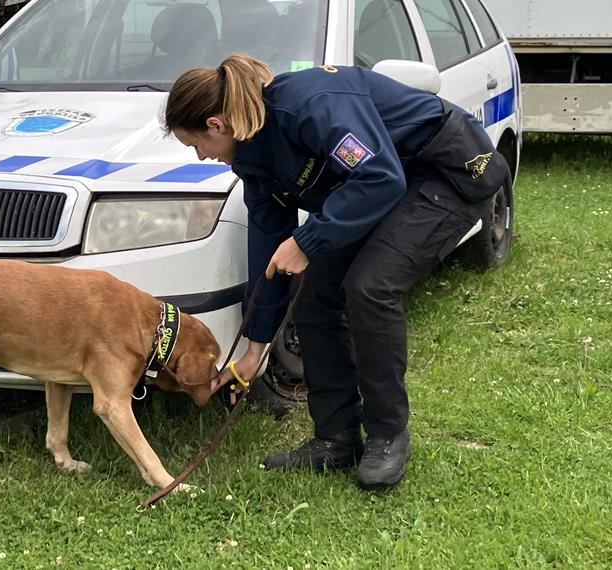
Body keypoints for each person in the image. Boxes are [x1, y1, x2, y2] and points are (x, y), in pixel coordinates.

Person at [163, 54, 511, 489]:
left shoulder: (310, 104)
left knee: (371, 287)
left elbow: (379, 178)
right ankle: (336, 438)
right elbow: (268, 253)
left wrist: (309, 241)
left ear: (217, 124)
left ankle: (387, 436)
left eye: (196, 145)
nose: (202, 156)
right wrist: (255, 351)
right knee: (313, 300)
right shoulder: (252, 155)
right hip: (390, 184)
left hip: (446, 171)